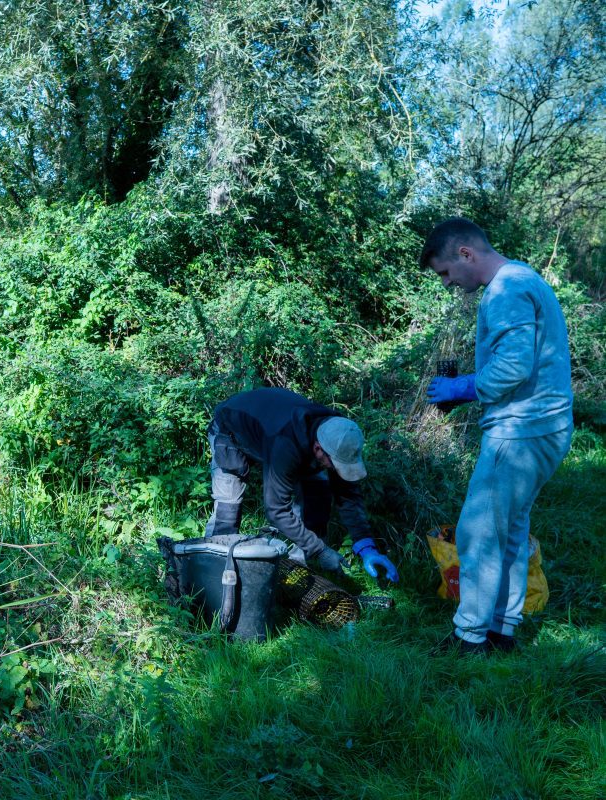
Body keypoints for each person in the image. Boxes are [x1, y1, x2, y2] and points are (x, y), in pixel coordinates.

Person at [421, 217, 573, 655]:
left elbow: (512, 367)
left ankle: (470, 637)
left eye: (447, 272)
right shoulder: (526, 278)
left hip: (521, 432)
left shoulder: (506, 289)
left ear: (466, 253)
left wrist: (462, 387)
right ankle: (501, 631)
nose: (448, 283)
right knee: (508, 532)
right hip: (544, 427)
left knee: (479, 532)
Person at [204, 387, 398, 581]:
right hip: (230, 430)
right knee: (227, 511)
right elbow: (276, 511)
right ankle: (210, 572)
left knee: (317, 498)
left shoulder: (338, 435)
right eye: (335, 463)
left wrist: (366, 547)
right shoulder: (285, 446)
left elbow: (347, 495)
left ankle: (300, 572)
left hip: (274, 432)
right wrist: (321, 551)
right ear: (318, 449)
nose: (338, 469)